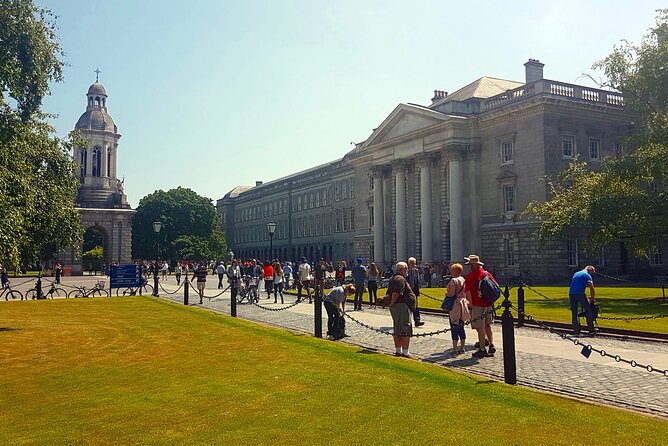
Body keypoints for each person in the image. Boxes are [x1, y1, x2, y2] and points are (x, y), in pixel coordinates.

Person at [464, 254, 497, 358]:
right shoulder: (486, 274)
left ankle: (482, 349)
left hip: (477, 305)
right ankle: (491, 344)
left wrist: (470, 306)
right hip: (488, 304)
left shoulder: (469, 277)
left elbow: (468, 293)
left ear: (472, 265)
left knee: (480, 328)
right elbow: (495, 287)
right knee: (487, 326)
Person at [387, 261, 416, 357]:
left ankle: (399, 350)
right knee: (405, 328)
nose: (407, 270)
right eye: (406, 268)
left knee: (398, 328)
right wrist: (392, 303)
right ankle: (405, 352)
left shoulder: (394, 278)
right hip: (401, 306)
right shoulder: (400, 279)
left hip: (398, 306)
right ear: (401, 269)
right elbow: (396, 293)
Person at [446, 263, 470, 355]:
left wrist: (446, 293)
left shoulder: (453, 281)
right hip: (463, 304)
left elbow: (451, 294)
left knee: (454, 326)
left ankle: (454, 348)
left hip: (455, 305)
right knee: (461, 326)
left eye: (452, 270)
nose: (451, 272)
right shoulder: (463, 279)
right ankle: (462, 347)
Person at [569, 265, 597, 335]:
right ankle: (591, 330)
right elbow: (591, 287)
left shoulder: (576, 273)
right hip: (580, 294)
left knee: (574, 313)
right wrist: (592, 298)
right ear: (590, 271)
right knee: (588, 310)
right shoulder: (587, 275)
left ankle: (576, 332)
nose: (591, 275)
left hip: (571, 294)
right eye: (592, 273)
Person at [407, 257, 424, 326]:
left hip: (414, 290)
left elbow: (417, 281)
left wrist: (418, 289)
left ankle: (417, 320)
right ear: (409, 263)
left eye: (414, 263)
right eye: (412, 263)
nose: (413, 264)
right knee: (408, 306)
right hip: (408, 290)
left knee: (416, 305)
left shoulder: (416, 271)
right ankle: (407, 321)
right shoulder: (406, 270)